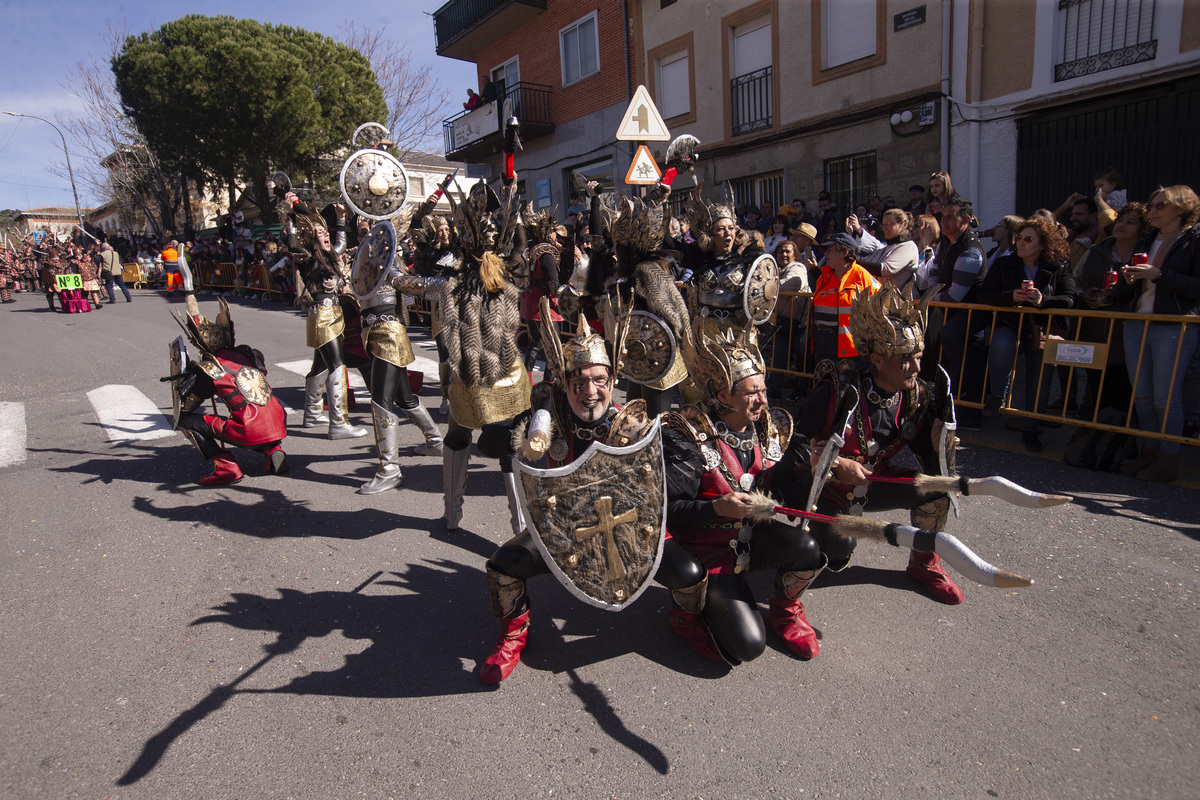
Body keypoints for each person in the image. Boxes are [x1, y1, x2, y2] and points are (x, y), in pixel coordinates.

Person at [479, 309, 698, 683]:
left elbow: (683, 475)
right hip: (564, 530)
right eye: (578, 382)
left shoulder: (631, 425)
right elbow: (487, 441)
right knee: (503, 567)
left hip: (628, 530)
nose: (590, 391)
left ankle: (686, 624)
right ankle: (514, 634)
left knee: (691, 575)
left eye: (599, 380)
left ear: (613, 380)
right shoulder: (549, 416)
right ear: (563, 384)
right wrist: (527, 436)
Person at [775, 282, 966, 607]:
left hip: (873, 482)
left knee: (937, 491)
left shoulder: (917, 394)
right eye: (906, 359)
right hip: (825, 490)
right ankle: (784, 605)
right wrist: (834, 465)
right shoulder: (837, 389)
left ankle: (923, 561)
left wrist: (939, 447)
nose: (918, 368)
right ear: (877, 359)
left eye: (918, 357)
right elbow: (791, 444)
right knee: (839, 545)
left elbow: (933, 465)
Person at [664, 321, 826, 662]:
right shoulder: (687, 437)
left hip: (752, 541)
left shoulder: (767, 429)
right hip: (709, 554)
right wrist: (715, 509)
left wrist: (813, 474)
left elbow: (791, 503)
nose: (763, 400)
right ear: (723, 395)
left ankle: (785, 611)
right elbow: (668, 513)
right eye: (752, 392)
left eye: (764, 390)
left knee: (808, 548)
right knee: (747, 648)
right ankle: (684, 616)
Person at [350, 200, 446, 495]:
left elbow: (410, 284)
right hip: (376, 333)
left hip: (388, 333)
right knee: (404, 397)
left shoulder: (386, 263)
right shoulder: (364, 264)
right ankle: (434, 441)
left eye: (370, 229)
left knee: (380, 400)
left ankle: (389, 469)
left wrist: (447, 285)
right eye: (361, 230)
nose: (365, 234)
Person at [1112, 185, 1200, 483]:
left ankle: (1167, 461)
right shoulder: (1148, 239)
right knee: (1143, 396)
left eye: (1161, 205)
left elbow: (1195, 288)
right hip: (1138, 323)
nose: (1153, 209)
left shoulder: (1193, 240)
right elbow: (1131, 287)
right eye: (1152, 204)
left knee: (1166, 399)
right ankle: (1148, 454)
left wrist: (1159, 275)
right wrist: (1127, 278)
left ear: (1182, 208)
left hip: (1172, 325)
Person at [977, 216, 1076, 453]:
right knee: (1000, 348)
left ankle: (1031, 429)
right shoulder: (1004, 263)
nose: (1021, 243)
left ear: (1043, 244)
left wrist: (1043, 301)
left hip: (1042, 330)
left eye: (1028, 239)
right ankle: (998, 394)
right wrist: (1011, 296)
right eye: (1019, 238)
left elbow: (1070, 298)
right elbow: (984, 294)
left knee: (1039, 381)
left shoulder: (1059, 265)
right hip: (1010, 324)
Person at [169, 293, 289, 487]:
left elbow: (188, 404)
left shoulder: (211, 367)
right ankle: (273, 448)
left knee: (184, 420)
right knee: (256, 408)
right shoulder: (249, 354)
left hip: (250, 429)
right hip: (279, 420)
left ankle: (225, 467)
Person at [932, 198, 988, 429]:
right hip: (953, 313)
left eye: (949, 217)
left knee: (965, 362)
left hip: (971, 317)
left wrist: (929, 298)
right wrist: (933, 292)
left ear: (965, 220)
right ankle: (949, 407)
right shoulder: (946, 242)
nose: (943, 221)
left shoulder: (971, 251)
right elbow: (934, 270)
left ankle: (969, 414)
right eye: (942, 216)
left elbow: (956, 295)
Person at [810, 232, 880, 364]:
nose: (826, 254)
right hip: (823, 344)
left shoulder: (862, 277)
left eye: (830, 250)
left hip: (851, 348)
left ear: (844, 252)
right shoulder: (824, 275)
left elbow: (881, 306)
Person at [846, 208, 920, 295]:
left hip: (901, 304)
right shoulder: (885, 249)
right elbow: (865, 261)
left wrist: (853, 261)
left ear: (901, 224)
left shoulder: (909, 246)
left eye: (888, 224)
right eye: (883, 225)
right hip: (881, 302)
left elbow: (885, 270)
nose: (884, 229)